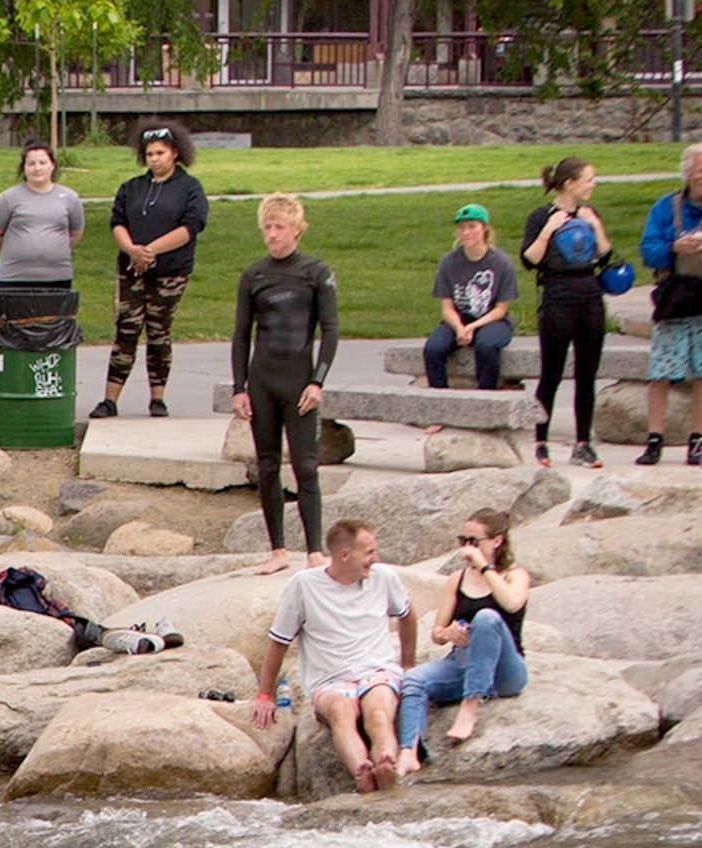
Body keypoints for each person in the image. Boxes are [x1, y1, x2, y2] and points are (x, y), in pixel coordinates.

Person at [255, 519, 419, 793]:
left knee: (378, 712)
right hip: (330, 679)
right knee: (341, 712)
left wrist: (408, 664)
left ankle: (386, 764)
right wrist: (264, 695)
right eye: (368, 552)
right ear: (344, 555)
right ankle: (361, 772)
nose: (374, 559)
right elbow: (278, 641)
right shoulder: (304, 585)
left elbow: (407, 615)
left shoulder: (384, 578)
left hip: (376, 671)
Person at [230, 193, 337, 575]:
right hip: (263, 379)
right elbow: (242, 334)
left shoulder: (316, 272)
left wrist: (317, 381)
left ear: (296, 229)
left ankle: (314, 551)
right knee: (267, 465)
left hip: (299, 380)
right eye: (267, 228)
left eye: (279, 227)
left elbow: (331, 329)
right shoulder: (253, 276)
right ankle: (278, 550)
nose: (272, 235)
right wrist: (238, 387)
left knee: (306, 466)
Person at [398, 508, 531, 757]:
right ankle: (409, 750)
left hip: (504, 670)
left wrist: (485, 568)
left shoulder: (515, 575)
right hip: (463, 662)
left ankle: (470, 704)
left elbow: (513, 603)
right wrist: (448, 633)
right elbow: (436, 633)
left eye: (474, 542)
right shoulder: (457, 580)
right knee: (413, 679)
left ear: (497, 541)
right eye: (463, 541)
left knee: (486, 617)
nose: (467, 549)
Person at [94, 123, 206, 420]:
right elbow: (117, 222)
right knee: (126, 330)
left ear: (175, 153)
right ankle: (109, 399)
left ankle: (158, 398)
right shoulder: (132, 187)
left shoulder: (189, 188)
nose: (155, 159)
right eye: (149, 154)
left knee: (158, 331)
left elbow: (190, 227)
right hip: (132, 270)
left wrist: (150, 250)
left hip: (170, 271)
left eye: (160, 153)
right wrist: (133, 250)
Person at [525, 157, 612, 468]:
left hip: (589, 294)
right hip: (557, 297)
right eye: (589, 179)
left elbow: (604, 255)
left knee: (587, 374)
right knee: (552, 372)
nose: (593, 185)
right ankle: (541, 441)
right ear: (569, 184)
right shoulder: (540, 216)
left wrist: (596, 225)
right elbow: (530, 259)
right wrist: (548, 230)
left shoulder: (589, 214)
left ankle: (583, 443)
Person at [634, 142, 702, 465]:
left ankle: (698, 441)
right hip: (675, 299)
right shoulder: (666, 208)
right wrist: (675, 247)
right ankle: (654, 439)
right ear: (687, 174)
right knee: (660, 371)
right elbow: (648, 251)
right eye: (700, 173)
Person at [421, 204, 517, 403]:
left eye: (472, 227)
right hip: (459, 318)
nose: (466, 233)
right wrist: (459, 328)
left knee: (487, 347)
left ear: (484, 228)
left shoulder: (501, 262)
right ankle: (440, 404)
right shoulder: (449, 262)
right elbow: (446, 307)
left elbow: (501, 309)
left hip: (491, 319)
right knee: (433, 349)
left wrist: (473, 327)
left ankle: (484, 401)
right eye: (462, 228)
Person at [0, 141, 84, 288]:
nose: (37, 168)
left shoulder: (70, 198)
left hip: (57, 277)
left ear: (52, 165)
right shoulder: (8, 198)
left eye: (42, 163)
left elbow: (75, 233)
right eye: (31, 164)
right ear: (24, 167)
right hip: (13, 278)